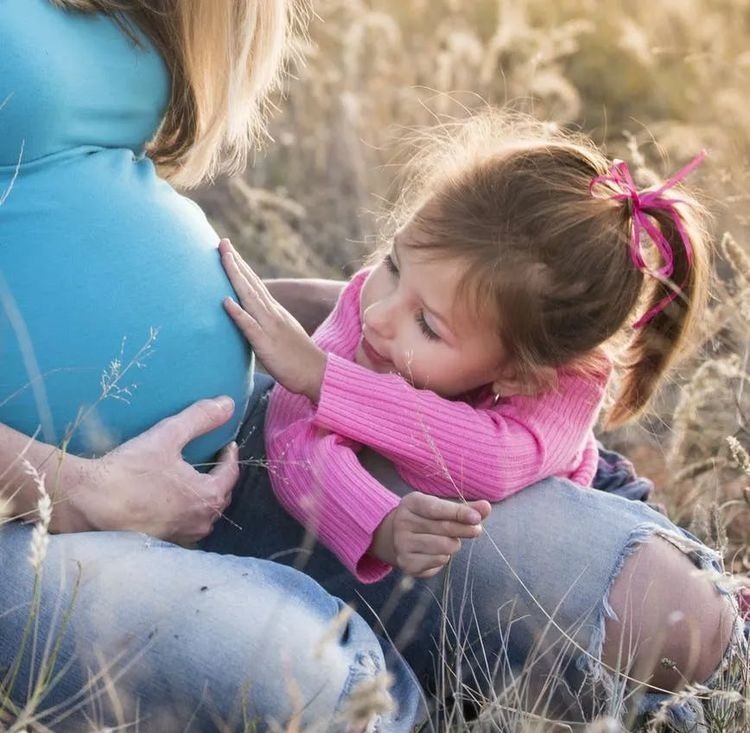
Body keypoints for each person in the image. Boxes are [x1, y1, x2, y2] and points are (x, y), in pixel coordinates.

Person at [0, 3, 743, 733]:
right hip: (28, 514)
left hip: (241, 439)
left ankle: (450, 665)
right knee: (317, 694)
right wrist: (77, 488)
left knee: (665, 615)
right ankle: (418, 706)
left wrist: (307, 341)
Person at [217, 115, 709, 589]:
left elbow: (492, 462)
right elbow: (291, 436)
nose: (379, 314)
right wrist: (377, 521)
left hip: (590, 494)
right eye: (392, 264)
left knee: (688, 604)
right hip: (471, 532)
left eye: (427, 324)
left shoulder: (566, 383)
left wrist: (325, 380)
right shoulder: (373, 311)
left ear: (521, 375)